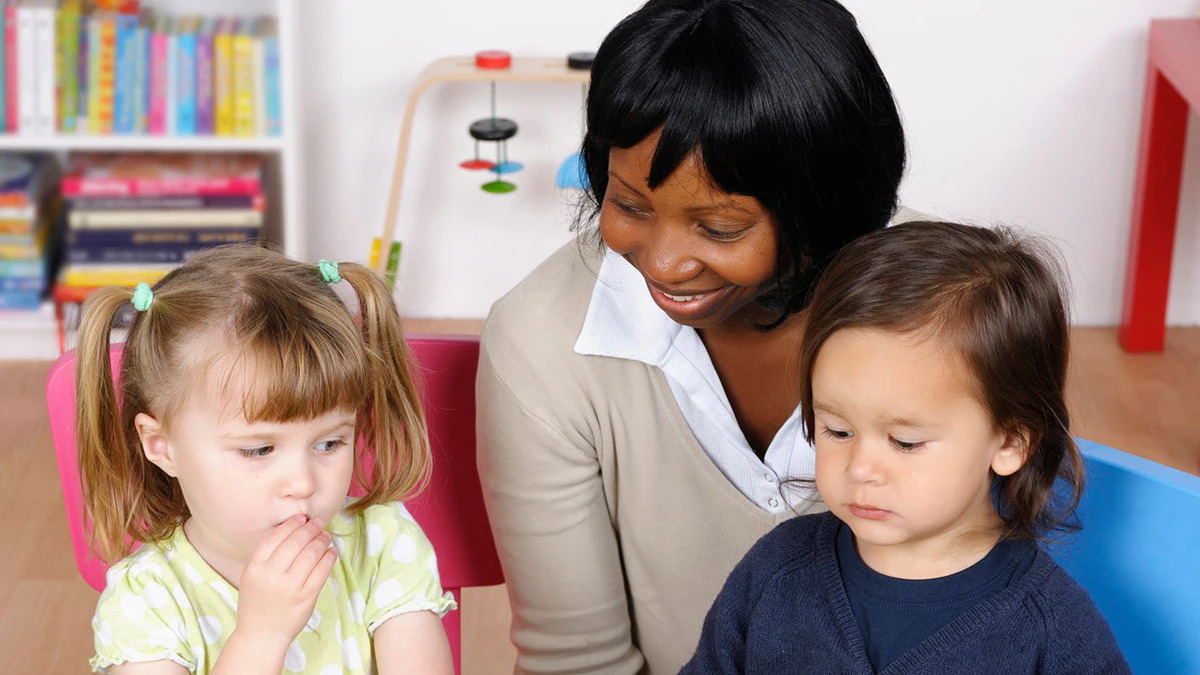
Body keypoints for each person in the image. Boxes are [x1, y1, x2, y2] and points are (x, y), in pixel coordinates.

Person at [475, 0, 908, 670]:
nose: (665, 262)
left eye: (719, 228)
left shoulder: (952, 319)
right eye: (628, 205)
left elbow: (993, 599)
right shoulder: (540, 340)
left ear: (820, 208)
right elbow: (576, 659)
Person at [683, 221, 1130, 674]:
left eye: (905, 442)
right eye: (837, 430)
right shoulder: (776, 569)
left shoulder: (1053, 633)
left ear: (1011, 441)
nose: (860, 469)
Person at [76, 245, 456, 674]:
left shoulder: (382, 542)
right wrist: (261, 636)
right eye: (258, 449)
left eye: (330, 443)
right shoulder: (147, 600)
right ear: (162, 445)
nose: (303, 482)